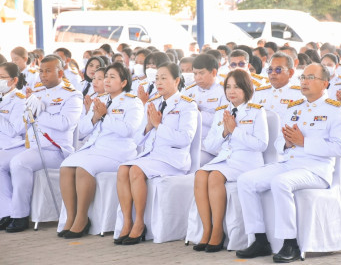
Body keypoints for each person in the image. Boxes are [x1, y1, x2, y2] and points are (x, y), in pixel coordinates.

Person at [236, 63, 341, 262]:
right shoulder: (294, 108)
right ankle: (260, 239)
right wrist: (287, 143)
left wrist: (304, 142)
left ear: (325, 83)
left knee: (281, 182)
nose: (304, 81)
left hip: (316, 169)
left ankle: (290, 243)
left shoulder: (336, 110)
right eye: (303, 77)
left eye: (310, 78)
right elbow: (279, 142)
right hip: (289, 164)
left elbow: (340, 148)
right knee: (245, 180)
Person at [114, 62, 198, 245]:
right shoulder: (153, 103)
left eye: (164, 78)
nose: (158, 82)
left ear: (176, 80)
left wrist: (160, 126)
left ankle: (139, 224)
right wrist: (149, 126)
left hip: (173, 160)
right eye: (157, 78)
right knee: (122, 169)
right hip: (152, 156)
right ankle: (127, 222)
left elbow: (185, 139)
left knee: (135, 170)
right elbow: (137, 139)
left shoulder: (187, 105)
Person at [58, 62, 144, 239]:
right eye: (106, 77)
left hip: (118, 152)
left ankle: (82, 218)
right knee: (66, 167)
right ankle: (71, 216)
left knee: (83, 168)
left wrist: (105, 116)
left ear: (123, 82)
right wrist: (95, 117)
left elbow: (129, 130)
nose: (107, 80)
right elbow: (82, 130)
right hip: (96, 148)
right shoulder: (101, 100)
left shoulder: (132, 102)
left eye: (112, 77)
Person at [0, 55, 82, 232]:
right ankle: (5, 213)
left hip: (56, 149)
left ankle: (20, 216)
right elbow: (24, 122)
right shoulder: (36, 92)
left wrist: (39, 114)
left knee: (19, 163)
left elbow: (64, 123)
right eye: (41, 71)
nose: (43, 75)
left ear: (60, 72)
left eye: (48, 71)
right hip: (33, 147)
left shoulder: (71, 95)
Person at [192, 69, 268, 253]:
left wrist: (235, 131)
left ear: (247, 88)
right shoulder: (221, 112)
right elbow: (210, 145)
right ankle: (207, 230)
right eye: (228, 87)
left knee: (215, 176)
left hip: (246, 162)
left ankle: (218, 231)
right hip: (225, 159)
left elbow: (262, 144)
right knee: (200, 174)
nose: (231, 91)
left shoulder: (257, 112)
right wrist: (225, 132)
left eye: (236, 87)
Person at [183, 54, 228, 166]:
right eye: (195, 73)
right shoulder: (188, 91)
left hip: (211, 147)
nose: (197, 77)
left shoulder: (224, 92)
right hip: (188, 143)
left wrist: (197, 113)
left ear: (213, 72)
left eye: (201, 73)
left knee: (191, 163)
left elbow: (223, 121)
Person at [0, 62, 27, 230]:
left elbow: (14, 131)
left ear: (13, 80)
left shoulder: (20, 101)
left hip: (14, 146)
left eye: (2, 78)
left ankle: (8, 212)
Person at [253, 52, 304, 121]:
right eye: (270, 70)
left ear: (291, 73)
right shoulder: (258, 93)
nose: (273, 73)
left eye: (278, 70)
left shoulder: (300, 95)